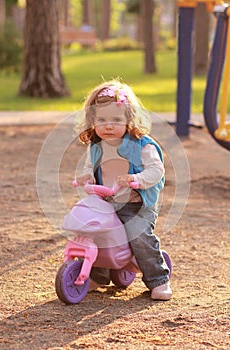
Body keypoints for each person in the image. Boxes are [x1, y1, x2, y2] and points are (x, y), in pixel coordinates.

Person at [75, 79, 172, 301]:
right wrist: (86, 177)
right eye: (102, 120)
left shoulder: (142, 144)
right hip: (108, 202)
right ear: (93, 121)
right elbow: (89, 166)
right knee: (95, 232)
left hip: (136, 204)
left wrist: (137, 179)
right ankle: (97, 275)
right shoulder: (97, 144)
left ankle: (159, 279)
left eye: (116, 120)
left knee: (138, 234)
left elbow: (156, 170)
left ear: (129, 120)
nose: (108, 126)